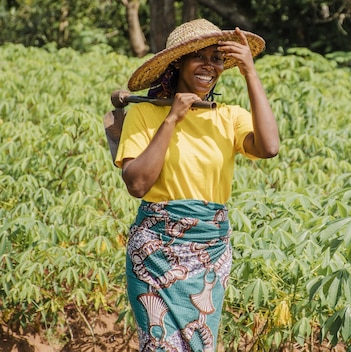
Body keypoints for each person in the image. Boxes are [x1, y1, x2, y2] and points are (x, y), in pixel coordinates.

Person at [114, 18, 279, 351]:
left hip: (210, 251)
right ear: (177, 63)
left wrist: (251, 73)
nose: (209, 66)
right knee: (162, 345)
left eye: (216, 58)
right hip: (155, 252)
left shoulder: (228, 116)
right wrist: (172, 118)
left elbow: (269, 147)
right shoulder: (145, 113)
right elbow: (137, 184)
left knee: (200, 345)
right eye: (198, 57)